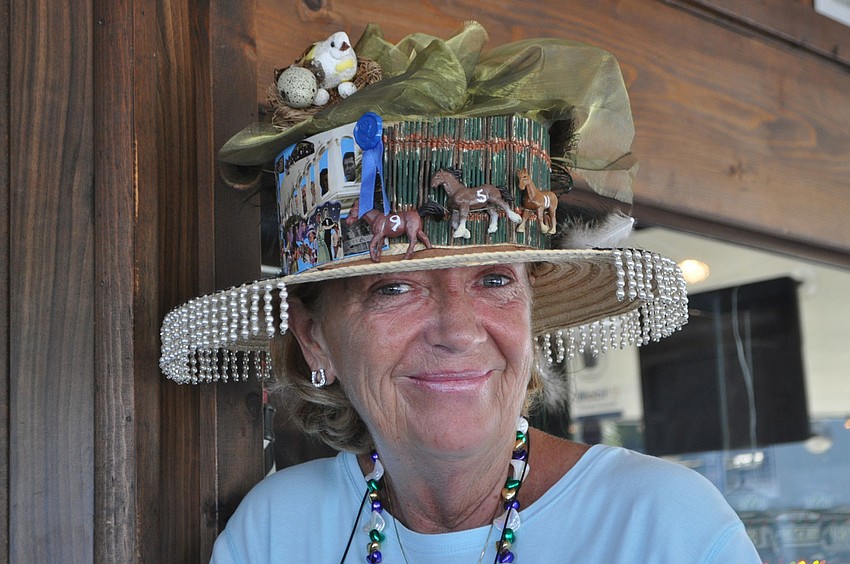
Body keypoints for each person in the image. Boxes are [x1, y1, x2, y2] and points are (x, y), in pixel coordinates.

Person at [159, 22, 762, 563]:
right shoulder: (276, 530)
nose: (458, 330)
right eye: (394, 288)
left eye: (495, 281)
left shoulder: (666, 526)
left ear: (531, 312)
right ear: (314, 338)